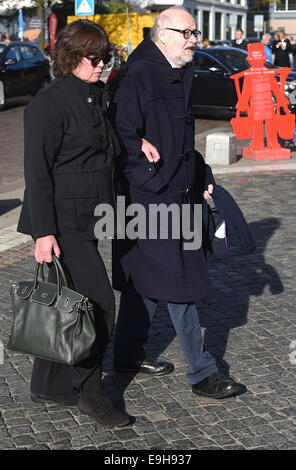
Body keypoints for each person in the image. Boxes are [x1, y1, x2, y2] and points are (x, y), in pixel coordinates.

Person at [17, 19, 157, 427]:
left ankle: (49, 384)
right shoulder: (48, 103)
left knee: (67, 303)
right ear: (71, 57)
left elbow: (107, 146)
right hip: (63, 224)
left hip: (93, 217)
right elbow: (37, 173)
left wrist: (138, 143)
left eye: (105, 57)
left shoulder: (95, 95)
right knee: (98, 306)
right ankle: (92, 392)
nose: (101, 65)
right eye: (93, 59)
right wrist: (43, 233)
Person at [111, 7, 241, 399]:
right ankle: (203, 373)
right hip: (149, 200)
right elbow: (119, 135)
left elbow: (179, 140)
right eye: (187, 32)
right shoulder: (138, 74)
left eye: (195, 32)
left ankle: (127, 353)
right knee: (179, 281)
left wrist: (200, 175)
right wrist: (152, 181)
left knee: (146, 282)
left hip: (174, 192)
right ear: (162, 34)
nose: (194, 40)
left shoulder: (173, 68)